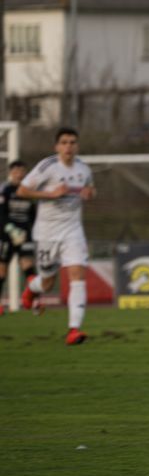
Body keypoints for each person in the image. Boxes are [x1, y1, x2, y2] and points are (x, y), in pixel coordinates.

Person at [17, 129, 95, 344]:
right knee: (47, 283)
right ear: (57, 147)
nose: (68, 146)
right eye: (64, 142)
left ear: (77, 146)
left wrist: (90, 193)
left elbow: (90, 190)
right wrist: (49, 194)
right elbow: (23, 191)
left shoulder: (84, 169)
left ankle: (73, 330)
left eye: (72, 142)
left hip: (73, 230)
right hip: (47, 232)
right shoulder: (47, 166)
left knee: (78, 275)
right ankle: (32, 289)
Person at [1, 161, 38, 315]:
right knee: (2, 270)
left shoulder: (29, 191)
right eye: (16, 170)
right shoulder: (5, 189)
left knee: (28, 266)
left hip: (25, 235)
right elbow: (1, 213)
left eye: (22, 170)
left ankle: (36, 302)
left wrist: (31, 232)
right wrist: (10, 229)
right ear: (11, 172)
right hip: (6, 235)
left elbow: (33, 215)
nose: (19, 173)